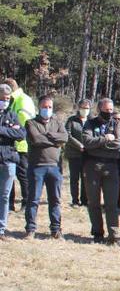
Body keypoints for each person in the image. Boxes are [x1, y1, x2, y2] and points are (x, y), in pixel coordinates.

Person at [24, 95, 68, 239]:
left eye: (49, 107)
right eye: (44, 107)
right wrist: (55, 140)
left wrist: (48, 136)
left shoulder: (58, 123)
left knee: (55, 200)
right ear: (39, 107)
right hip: (36, 167)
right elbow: (36, 139)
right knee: (33, 199)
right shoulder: (31, 123)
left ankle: (55, 229)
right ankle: (30, 229)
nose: (47, 109)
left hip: (54, 168)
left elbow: (65, 138)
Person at [82, 98, 120, 245]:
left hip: (111, 167)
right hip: (92, 166)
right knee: (93, 202)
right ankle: (97, 233)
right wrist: (105, 138)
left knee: (111, 203)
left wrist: (98, 143)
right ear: (99, 109)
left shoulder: (117, 124)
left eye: (111, 110)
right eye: (106, 110)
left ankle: (113, 235)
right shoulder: (90, 123)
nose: (109, 113)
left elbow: (118, 144)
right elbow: (87, 143)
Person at [0, 84, 25, 240]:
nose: (5, 101)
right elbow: (13, 132)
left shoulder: (13, 115)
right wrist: (9, 131)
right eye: (2, 98)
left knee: (4, 196)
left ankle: (1, 229)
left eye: (7, 99)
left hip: (8, 160)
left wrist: (2, 130)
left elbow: (21, 134)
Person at [6, 78, 34, 212]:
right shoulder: (12, 100)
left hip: (22, 145)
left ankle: (26, 202)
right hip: (10, 146)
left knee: (23, 176)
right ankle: (10, 204)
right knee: (8, 175)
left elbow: (24, 125)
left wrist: (11, 130)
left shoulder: (22, 100)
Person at [65, 99, 91, 207]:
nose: (85, 110)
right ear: (79, 108)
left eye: (87, 108)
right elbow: (67, 134)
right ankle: (75, 200)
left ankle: (85, 200)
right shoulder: (72, 120)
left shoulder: (91, 121)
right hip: (74, 154)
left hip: (88, 155)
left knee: (86, 178)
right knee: (74, 178)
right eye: (83, 108)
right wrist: (79, 145)